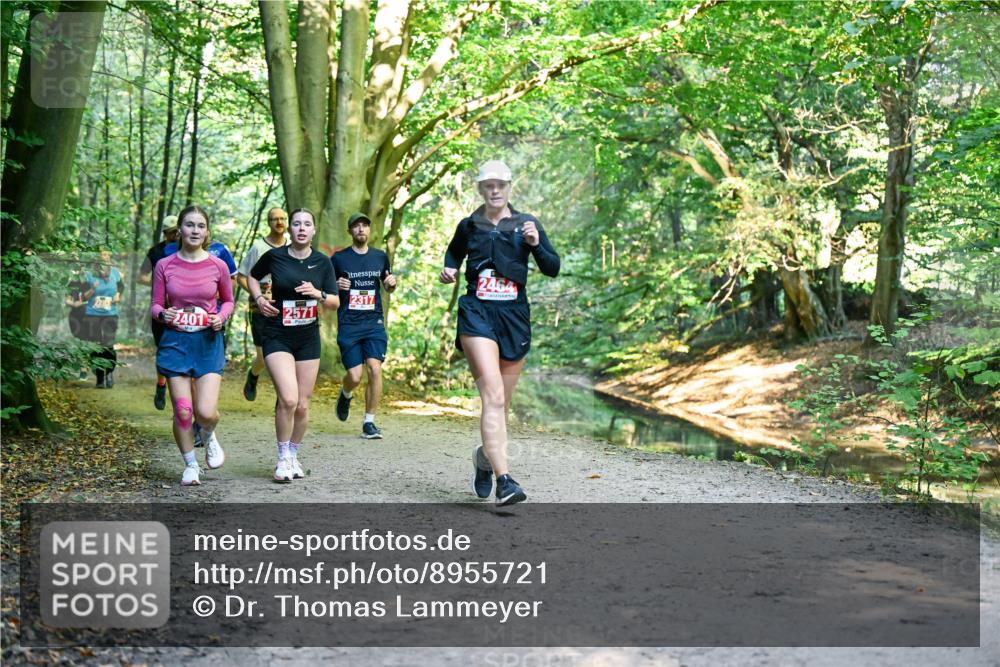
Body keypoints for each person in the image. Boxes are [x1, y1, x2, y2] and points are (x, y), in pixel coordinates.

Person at [440, 160, 560, 506]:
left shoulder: (527, 223)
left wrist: (536, 244)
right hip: (477, 313)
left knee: (501, 405)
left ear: (510, 186)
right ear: (480, 189)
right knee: (492, 397)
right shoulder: (469, 225)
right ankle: (504, 481)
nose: (494, 191)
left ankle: (483, 457)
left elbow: (552, 267)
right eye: (488, 185)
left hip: (514, 316)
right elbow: (453, 252)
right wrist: (450, 268)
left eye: (500, 185)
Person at [247, 208, 338, 483]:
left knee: (302, 404)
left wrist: (318, 294)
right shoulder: (275, 256)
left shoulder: (323, 263)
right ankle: (283, 456)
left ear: (313, 231)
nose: (300, 228)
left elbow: (335, 302)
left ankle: (294, 454)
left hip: (308, 337)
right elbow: (252, 276)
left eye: (306, 224)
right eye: (296, 223)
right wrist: (259, 299)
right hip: (277, 334)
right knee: (288, 398)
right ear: (290, 229)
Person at [151, 205, 234, 486]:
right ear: (180, 230)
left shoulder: (218, 265)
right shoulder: (165, 265)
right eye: (189, 225)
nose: (195, 230)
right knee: (184, 410)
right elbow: (156, 305)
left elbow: (229, 301)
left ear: (207, 231)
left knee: (206, 412)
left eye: (200, 226)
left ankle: (209, 435)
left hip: (208, 342)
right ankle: (190, 464)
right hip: (176, 342)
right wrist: (164, 314)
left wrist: (220, 318)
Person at [331, 212, 397, 439]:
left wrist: (391, 284)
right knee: (355, 376)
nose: (361, 229)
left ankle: (369, 422)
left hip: (373, 322)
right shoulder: (339, 259)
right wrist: (337, 284)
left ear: (369, 231)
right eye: (356, 226)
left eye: (364, 226)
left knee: (375, 369)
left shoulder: (380, 257)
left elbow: (388, 285)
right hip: (349, 322)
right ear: (349, 231)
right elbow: (328, 289)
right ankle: (346, 393)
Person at [237, 207, 288, 401]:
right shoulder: (259, 247)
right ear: (269, 222)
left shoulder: (293, 246)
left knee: (284, 354)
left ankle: (283, 396)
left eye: (283, 218)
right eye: (275, 219)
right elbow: (242, 277)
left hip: (285, 310)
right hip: (259, 309)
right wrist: (258, 294)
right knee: (264, 356)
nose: (279, 222)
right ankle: (253, 374)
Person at [139, 218, 180, 410]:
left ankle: (181, 392)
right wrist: (159, 286)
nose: (175, 235)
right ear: (165, 233)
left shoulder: (187, 250)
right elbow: (141, 277)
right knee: (163, 348)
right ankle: (161, 384)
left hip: (183, 308)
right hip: (161, 308)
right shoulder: (155, 252)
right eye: (171, 232)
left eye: (176, 231)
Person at [81, 251, 124, 389]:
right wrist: (93, 289)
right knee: (96, 346)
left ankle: (109, 373)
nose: (103, 258)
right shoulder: (88, 275)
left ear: (109, 258)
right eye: (100, 255)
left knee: (109, 344)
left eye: (106, 255)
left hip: (110, 314)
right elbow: (84, 297)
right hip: (92, 314)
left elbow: (121, 287)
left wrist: (118, 295)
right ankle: (99, 377)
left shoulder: (115, 272)